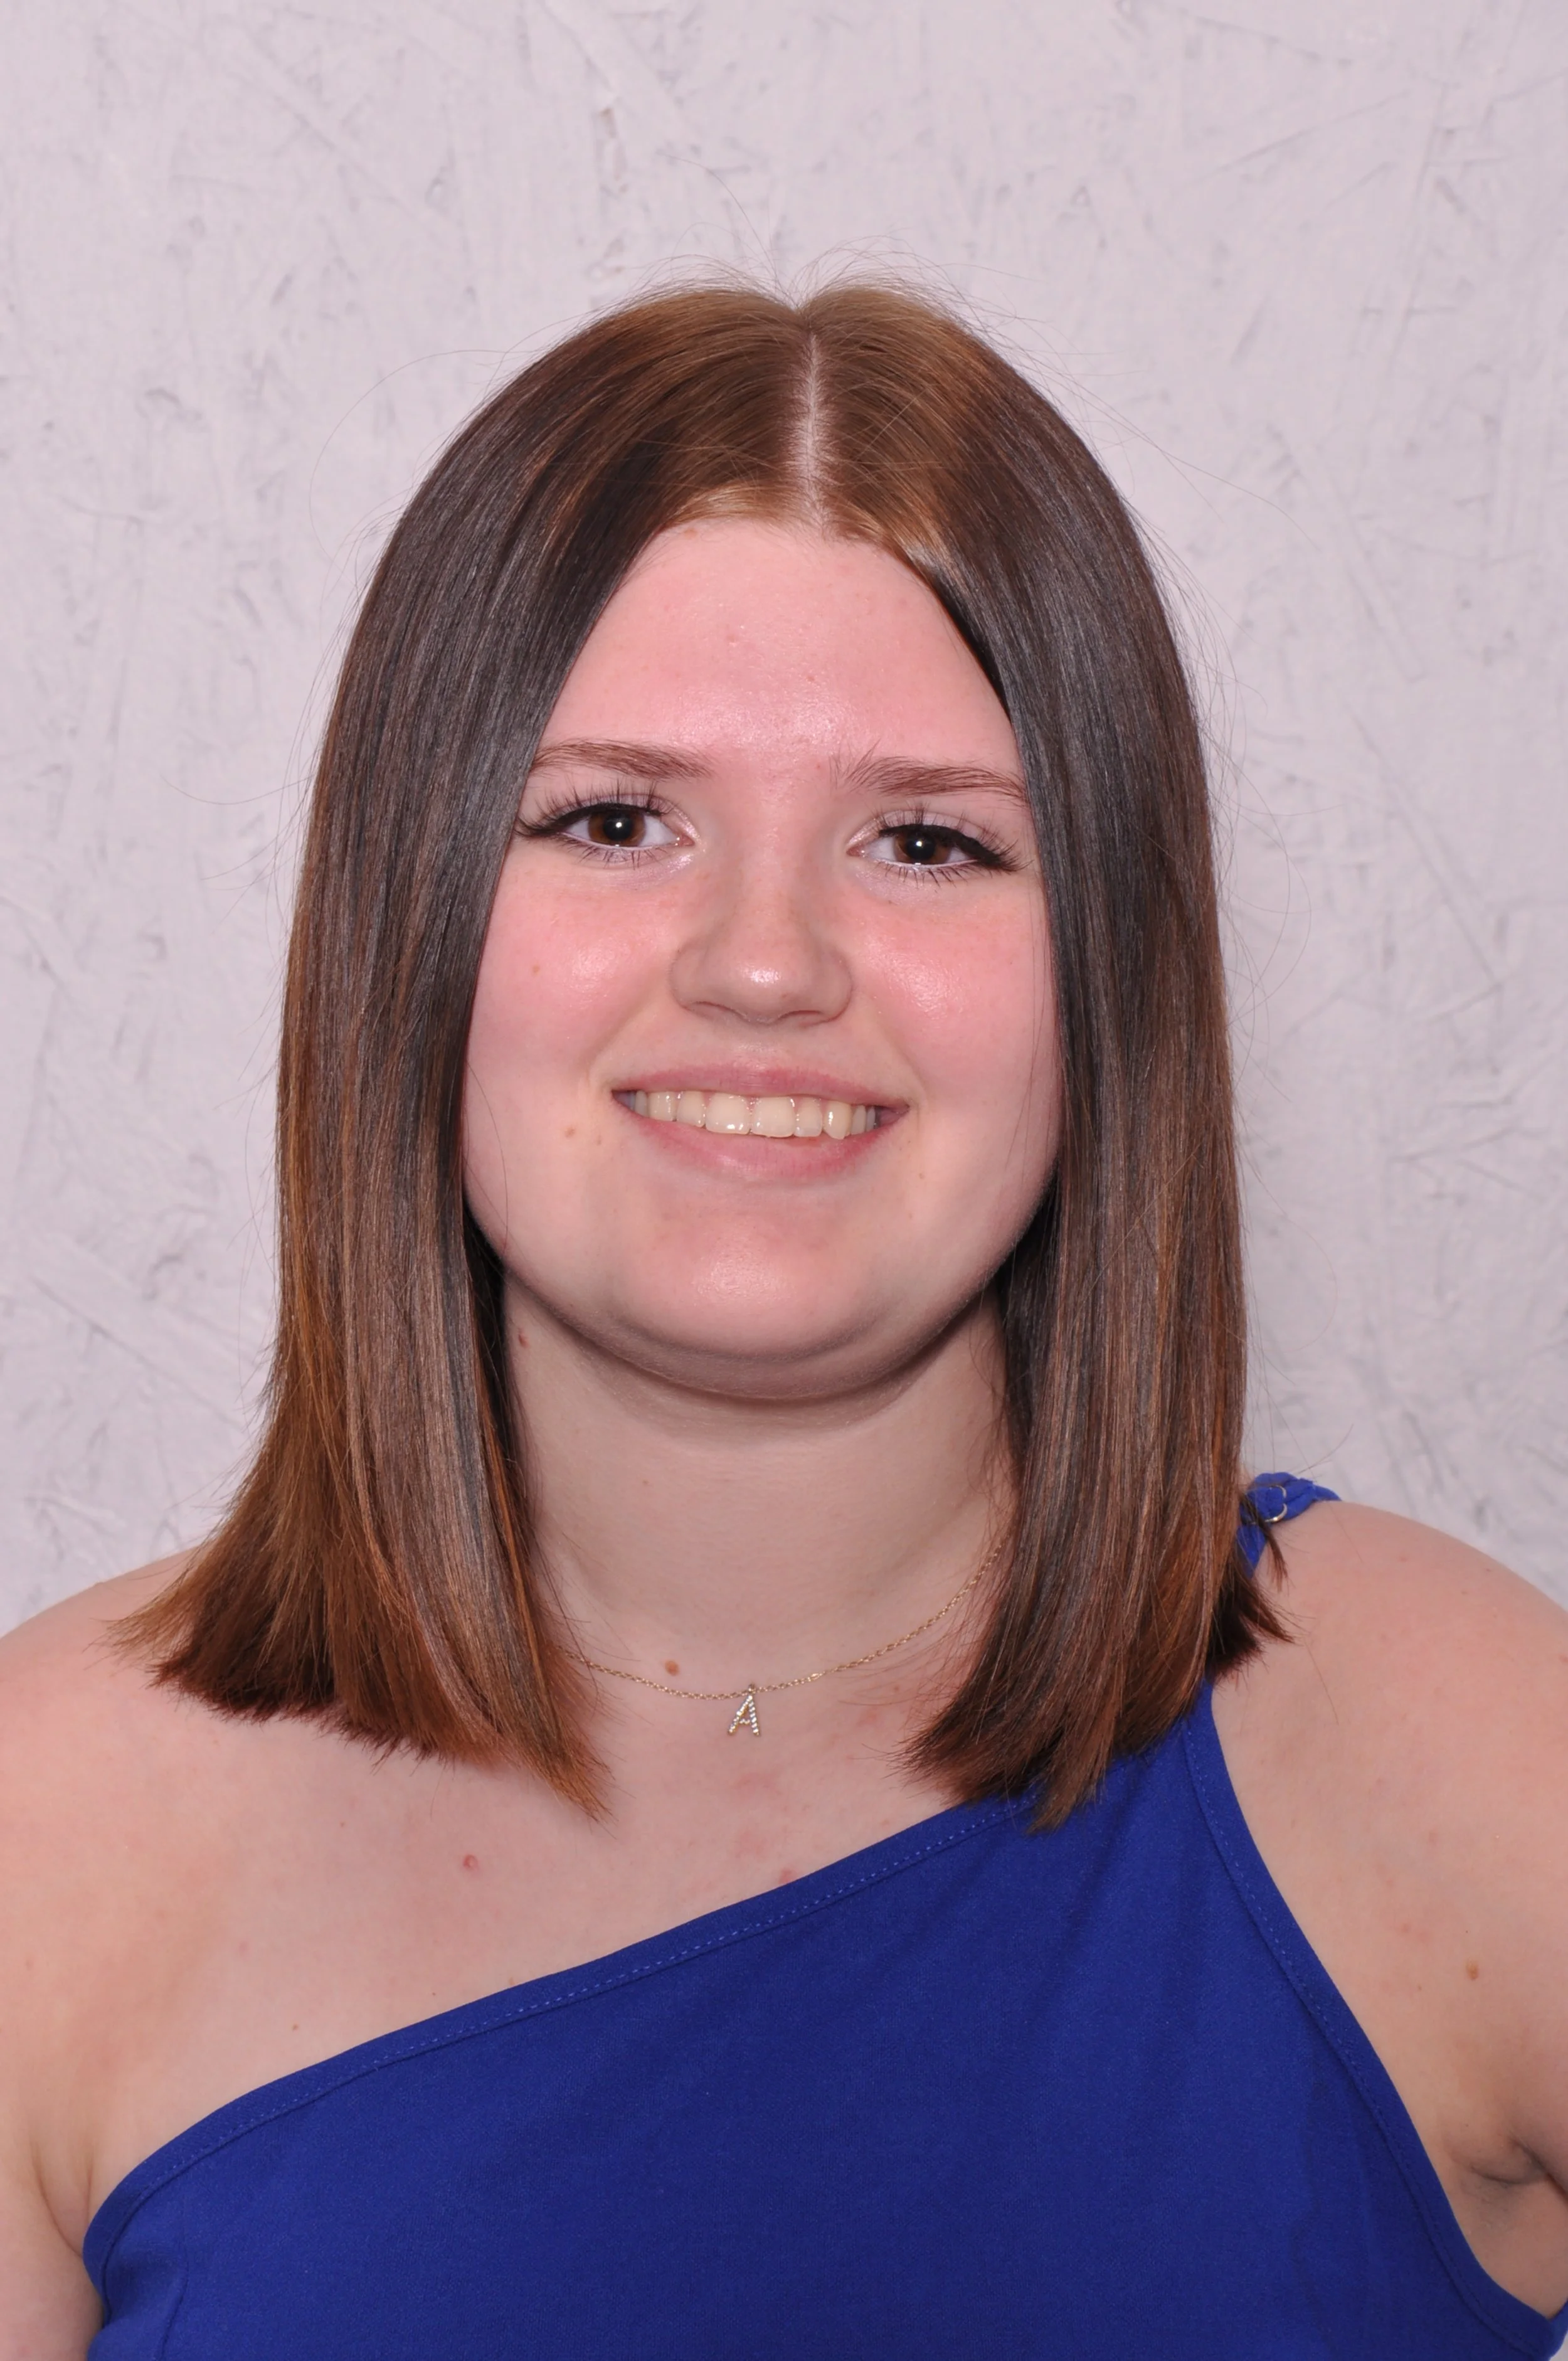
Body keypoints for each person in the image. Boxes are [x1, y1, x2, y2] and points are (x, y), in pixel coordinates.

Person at [1, 280, 1564, 2360]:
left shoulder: (1460, 1742)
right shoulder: (44, 1838)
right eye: (612, 819)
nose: (761, 962)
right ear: (407, 920)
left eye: (924, 839)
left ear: (1110, 970)